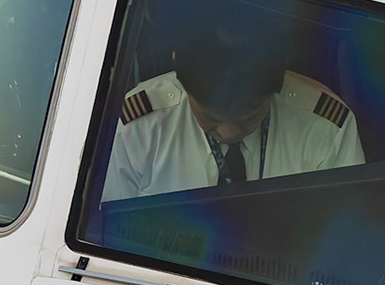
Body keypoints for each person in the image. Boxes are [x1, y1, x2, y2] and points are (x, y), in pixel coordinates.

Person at [101, 25, 364, 201]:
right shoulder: (139, 127)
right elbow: (107, 234)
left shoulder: (326, 128)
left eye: (248, 116)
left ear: (276, 88)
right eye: (212, 119)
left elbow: (346, 235)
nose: (229, 133)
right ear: (184, 87)